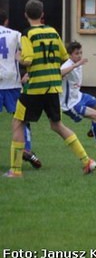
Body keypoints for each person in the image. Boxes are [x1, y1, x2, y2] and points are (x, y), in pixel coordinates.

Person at [4, 0, 96, 178]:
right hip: (53, 86)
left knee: (18, 123)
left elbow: (28, 60)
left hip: (35, 88)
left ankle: (15, 170)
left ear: (25, 15)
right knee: (57, 125)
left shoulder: (27, 34)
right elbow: (63, 56)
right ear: (42, 14)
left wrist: (19, 57)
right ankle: (87, 161)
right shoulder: (53, 31)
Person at [0, 10, 41, 169]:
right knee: (22, 119)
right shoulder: (16, 34)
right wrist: (28, 73)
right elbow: (28, 52)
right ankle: (27, 149)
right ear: (6, 21)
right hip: (12, 83)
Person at [60, 41, 96, 149]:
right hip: (70, 104)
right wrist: (75, 65)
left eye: (80, 53)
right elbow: (59, 74)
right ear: (70, 55)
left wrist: (77, 64)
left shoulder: (78, 63)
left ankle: (93, 130)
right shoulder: (67, 65)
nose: (79, 55)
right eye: (76, 53)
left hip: (79, 96)